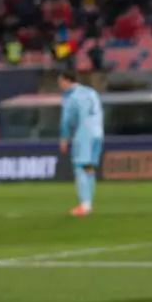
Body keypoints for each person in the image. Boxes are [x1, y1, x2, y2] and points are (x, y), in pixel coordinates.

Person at [58, 71, 104, 217]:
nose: (60, 85)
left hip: (84, 135)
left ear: (67, 81)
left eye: (60, 82)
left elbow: (67, 119)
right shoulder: (91, 92)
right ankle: (88, 203)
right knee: (88, 168)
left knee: (80, 168)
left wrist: (64, 138)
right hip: (98, 133)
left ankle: (84, 205)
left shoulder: (70, 96)